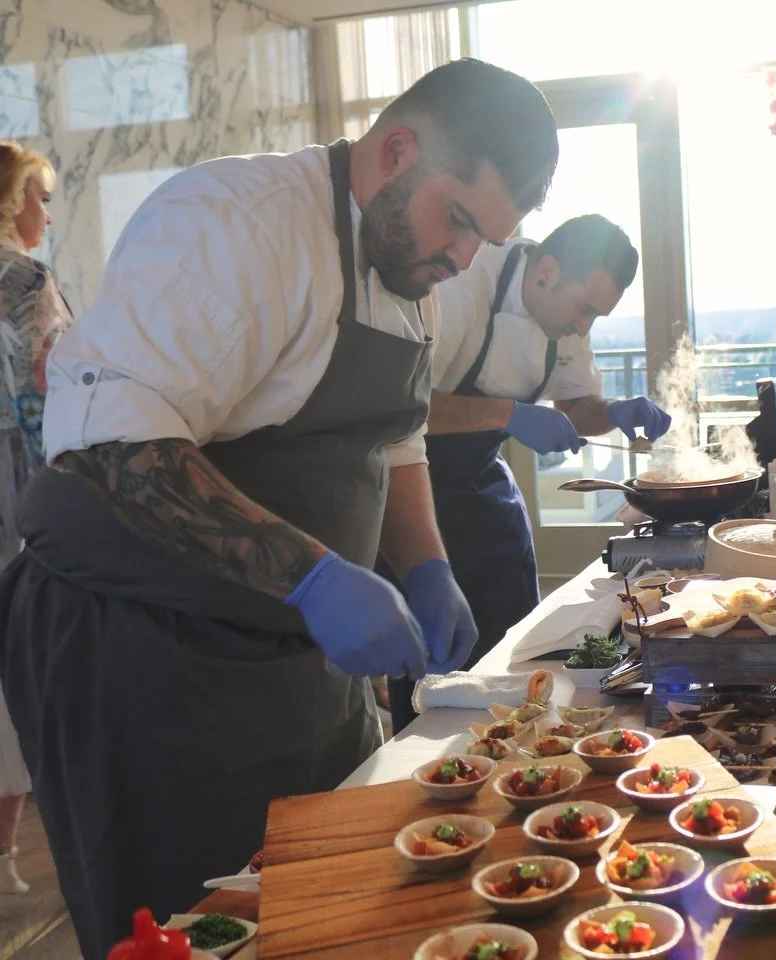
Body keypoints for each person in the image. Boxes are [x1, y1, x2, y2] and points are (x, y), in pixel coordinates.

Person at [0, 59, 558, 956]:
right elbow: (115, 450)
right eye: (457, 220)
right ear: (398, 150)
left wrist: (426, 564)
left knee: (323, 896)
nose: (462, 258)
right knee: (193, 918)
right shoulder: (235, 222)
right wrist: (314, 578)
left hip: (284, 650)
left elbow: (395, 437)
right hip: (136, 649)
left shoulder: (404, 265)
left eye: (482, 242)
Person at [385, 214, 670, 731]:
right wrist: (509, 415)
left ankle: (521, 747)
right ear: (547, 271)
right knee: (435, 665)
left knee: (519, 652)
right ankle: (430, 756)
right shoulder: (459, 286)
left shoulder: (565, 318)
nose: (583, 328)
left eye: (596, 316)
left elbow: (576, 405)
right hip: (414, 485)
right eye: (584, 309)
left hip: (483, 482)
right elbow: (402, 406)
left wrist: (611, 411)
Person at [0, 143, 71, 897]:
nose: (45, 213)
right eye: (39, 197)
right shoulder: (26, 280)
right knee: (18, 648)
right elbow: (57, 385)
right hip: (19, 481)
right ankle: (5, 856)